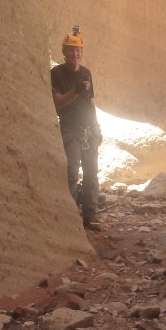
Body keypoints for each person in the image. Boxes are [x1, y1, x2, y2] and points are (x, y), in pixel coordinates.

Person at [50, 26, 103, 231]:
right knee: (72, 171)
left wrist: (97, 126)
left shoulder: (87, 73)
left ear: (82, 52)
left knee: (91, 172)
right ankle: (70, 216)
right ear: (64, 52)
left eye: (78, 50)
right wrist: (77, 90)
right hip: (70, 128)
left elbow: (91, 103)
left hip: (88, 128)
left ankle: (90, 215)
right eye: (71, 50)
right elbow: (58, 104)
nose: (75, 54)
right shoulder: (56, 73)